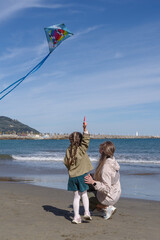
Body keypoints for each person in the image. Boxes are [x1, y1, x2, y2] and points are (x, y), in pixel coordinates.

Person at [64, 121, 93, 224]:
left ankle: (76, 217)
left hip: (72, 177)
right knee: (84, 194)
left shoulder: (68, 150)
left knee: (76, 196)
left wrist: (70, 169)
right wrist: (85, 129)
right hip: (81, 176)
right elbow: (86, 141)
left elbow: (66, 162)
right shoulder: (81, 149)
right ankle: (86, 212)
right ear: (80, 140)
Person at [85, 141, 121, 220]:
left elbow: (106, 188)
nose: (98, 150)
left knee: (83, 193)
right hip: (116, 192)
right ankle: (99, 209)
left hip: (109, 197)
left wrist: (93, 182)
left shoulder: (106, 167)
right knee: (87, 183)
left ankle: (105, 208)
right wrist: (93, 177)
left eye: (100, 148)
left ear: (102, 151)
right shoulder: (113, 160)